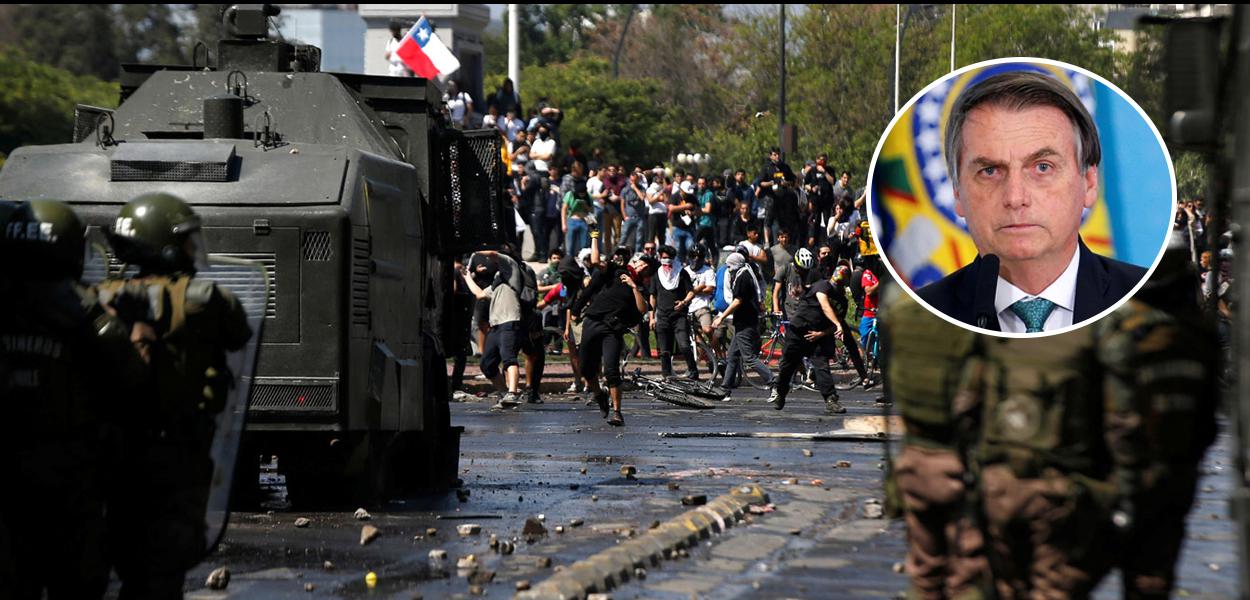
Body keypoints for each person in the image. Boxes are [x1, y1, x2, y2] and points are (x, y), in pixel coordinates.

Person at [101, 192, 252, 599]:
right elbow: (239, 331)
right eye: (186, 241)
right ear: (163, 245)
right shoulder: (204, 300)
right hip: (177, 454)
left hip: (114, 454)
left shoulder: (104, 298)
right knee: (165, 570)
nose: (192, 249)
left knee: (125, 560)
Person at [915, 70, 1147, 333]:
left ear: (1089, 183)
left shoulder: (1154, 305)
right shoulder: (919, 322)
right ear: (957, 191)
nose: (1015, 198)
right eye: (990, 171)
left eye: (1043, 167)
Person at [0, 200, 149, 600]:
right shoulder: (89, 316)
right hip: (72, 477)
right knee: (77, 582)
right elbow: (133, 386)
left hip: (10, 475)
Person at [571, 252, 659, 426]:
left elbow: (642, 309)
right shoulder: (616, 271)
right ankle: (599, 395)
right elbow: (596, 261)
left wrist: (633, 286)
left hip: (613, 330)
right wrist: (594, 234)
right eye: (642, 263)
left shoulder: (641, 288)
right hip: (593, 322)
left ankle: (617, 412)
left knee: (611, 370)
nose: (643, 266)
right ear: (635, 262)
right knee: (586, 369)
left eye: (647, 267)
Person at [462, 248, 544, 408]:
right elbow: (480, 295)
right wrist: (467, 277)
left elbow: (493, 254)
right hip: (496, 326)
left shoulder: (512, 270)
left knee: (509, 358)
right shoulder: (497, 281)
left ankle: (512, 394)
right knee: (487, 364)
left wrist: (476, 250)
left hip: (511, 321)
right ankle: (504, 393)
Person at [768, 248, 846, 413]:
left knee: (821, 365)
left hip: (816, 335)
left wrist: (822, 333)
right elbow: (823, 306)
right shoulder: (819, 286)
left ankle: (831, 399)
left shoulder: (839, 300)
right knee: (787, 366)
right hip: (797, 331)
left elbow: (834, 320)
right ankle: (781, 393)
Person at [713, 251, 773, 390]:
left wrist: (721, 317)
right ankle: (726, 386)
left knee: (749, 357)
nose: (728, 270)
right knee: (733, 355)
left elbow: (737, 301)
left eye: (729, 267)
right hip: (743, 321)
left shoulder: (743, 277)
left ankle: (772, 380)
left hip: (745, 322)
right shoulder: (744, 273)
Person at [649, 245, 698, 379]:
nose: (666, 261)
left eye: (669, 258)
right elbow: (652, 297)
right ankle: (666, 375)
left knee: (684, 346)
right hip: (662, 317)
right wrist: (652, 317)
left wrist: (684, 302)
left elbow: (691, 292)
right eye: (664, 258)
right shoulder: (656, 275)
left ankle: (693, 372)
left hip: (679, 316)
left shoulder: (681, 273)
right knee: (664, 351)